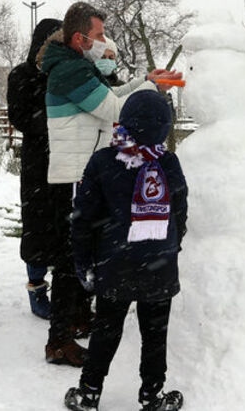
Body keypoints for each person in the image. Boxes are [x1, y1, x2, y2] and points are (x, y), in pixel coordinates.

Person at [39, 2, 180, 366]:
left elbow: (114, 96)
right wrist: (150, 87)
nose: (104, 41)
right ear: (78, 37)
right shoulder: (69, 71)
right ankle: (59, 339)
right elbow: (116, 111)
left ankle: (75, 319)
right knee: (71, 261)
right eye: (99, 35)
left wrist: (146, 80)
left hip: (84, 170)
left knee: (81, 253)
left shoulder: (78, 65)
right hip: (74, 174)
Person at [64, 91, 188, 411]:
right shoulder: (168, 162)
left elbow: (83, 217)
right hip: (159, 267)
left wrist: (84, 260)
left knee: (106, 330)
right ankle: (152, 396)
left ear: (125, 122)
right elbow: (180, 212)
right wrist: (171, 245)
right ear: (164, 127)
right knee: (154, 336)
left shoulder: (104, 162)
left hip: (114, 264)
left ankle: (89, 392)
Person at [7, 18, 63, 320]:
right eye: (51, 42)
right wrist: (55, 121)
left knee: (66, 222)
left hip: (69, 157)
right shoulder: (22, 74)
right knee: (37, 224)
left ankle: (69, 284)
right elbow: (19, 115)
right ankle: (37, 287)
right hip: (37, 161)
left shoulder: (68, 71)